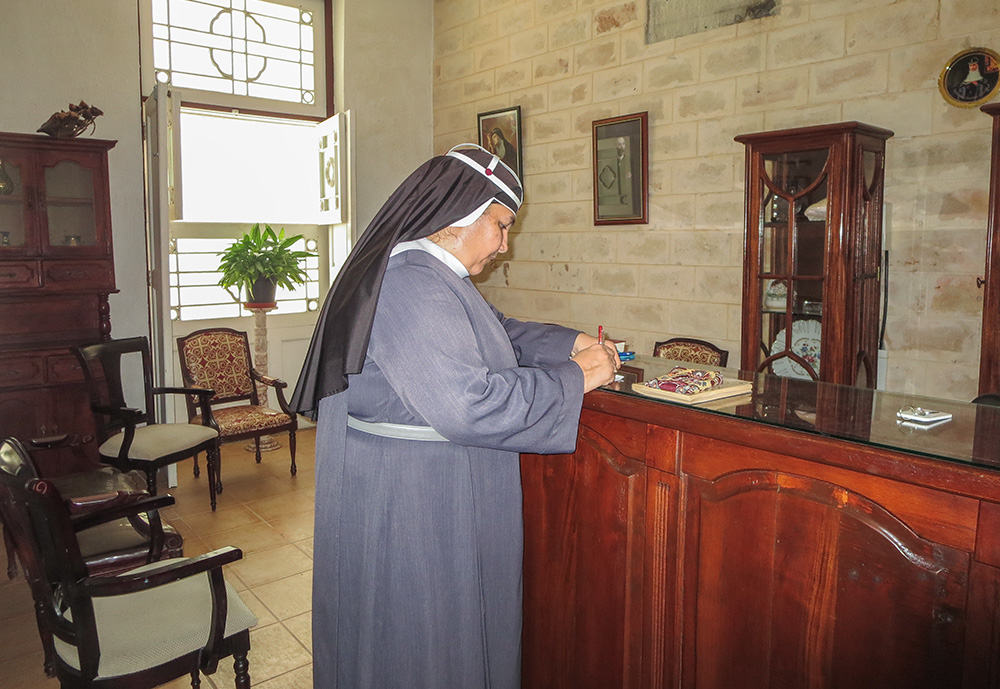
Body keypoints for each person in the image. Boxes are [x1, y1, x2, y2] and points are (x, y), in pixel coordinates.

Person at [291, 144, 619, 689]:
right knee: (425, 641)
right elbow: (471, 405)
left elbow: (499, 331)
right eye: (501, 226)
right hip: (417, 501)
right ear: (459, 216)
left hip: (427, 485)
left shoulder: (432, 276)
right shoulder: (411, 282)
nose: (505, 244)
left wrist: (572, 342)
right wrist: (575, 377)